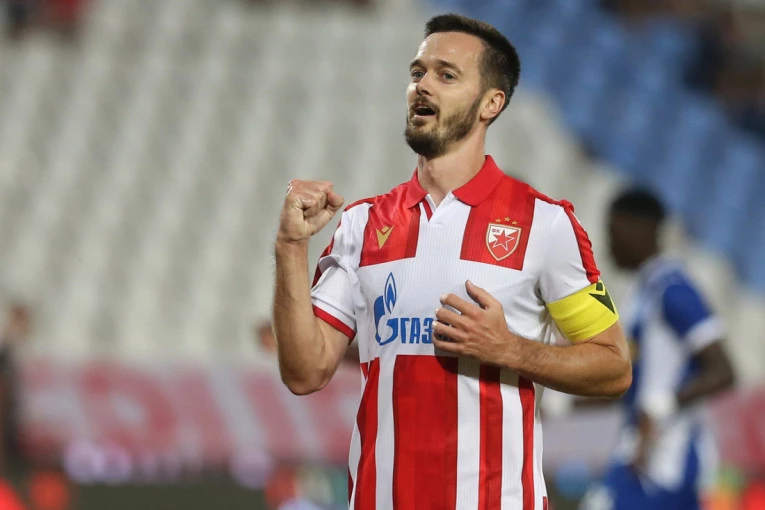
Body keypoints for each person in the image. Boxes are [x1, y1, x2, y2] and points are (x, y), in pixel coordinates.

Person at [272, 13, 631, 509]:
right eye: (417, 72)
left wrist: (510, 349)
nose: (422, 86)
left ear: (491, 104)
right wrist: (290, 248)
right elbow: (304, 372)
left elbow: (614, 368)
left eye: (446, 75)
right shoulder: (360, 225)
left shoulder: (545, 224)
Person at [579, 189, 736, 510]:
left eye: (613, 231)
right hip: (639, 453)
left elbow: (723, 370)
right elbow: (631, 383)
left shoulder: (672, 289)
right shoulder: (645, 292)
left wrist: (659, 409)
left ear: (641, 228)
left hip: (668, 461)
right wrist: (562, 403)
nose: (609, 244)